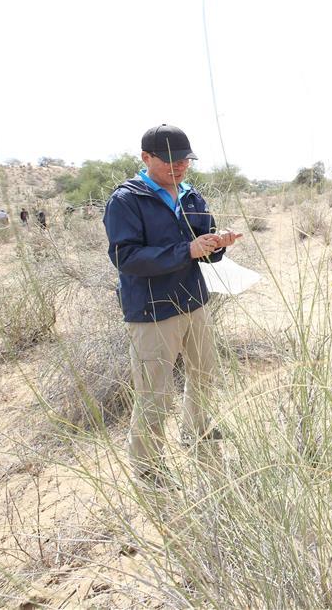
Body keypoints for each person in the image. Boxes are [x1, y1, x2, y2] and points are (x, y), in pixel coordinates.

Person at [103, 123, 242, 483]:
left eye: (184, 160)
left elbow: (203, 248)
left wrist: (216, 243)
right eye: (169, 160)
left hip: (194, 302)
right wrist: (186, 250)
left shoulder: (191, 196)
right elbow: (125, 257)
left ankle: (197, 432)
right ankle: (147, 466)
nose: (179, 167)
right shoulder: (126, 200)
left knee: (204, 374)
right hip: (153, 311)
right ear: (145, 158)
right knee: (154, 393)